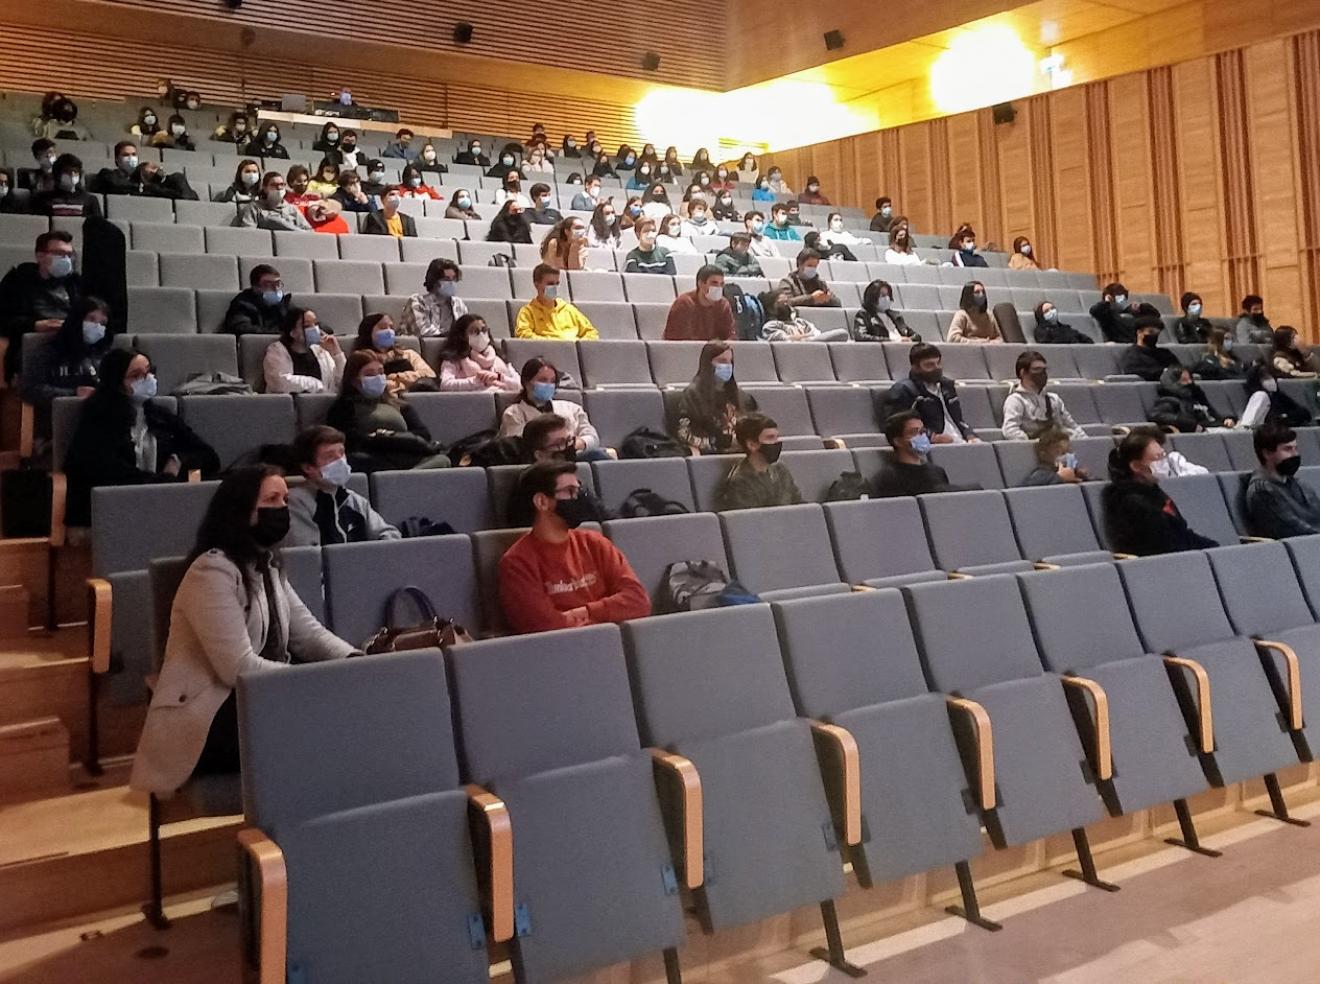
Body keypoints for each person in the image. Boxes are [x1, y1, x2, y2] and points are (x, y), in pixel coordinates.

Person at [128, 465, 356, 796]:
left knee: (347, 709)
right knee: (327, 728)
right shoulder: (211, 571)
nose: (281, 509)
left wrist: (356, 660)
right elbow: (237, 667)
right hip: (214, 716)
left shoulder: (267, 563)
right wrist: (310, 685)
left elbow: (310, 635)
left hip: (266, 698)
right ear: (241, 509)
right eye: (271, 499)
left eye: (285, 500)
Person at [63, 348, 221, 527]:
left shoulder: (160, 415)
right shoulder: (98, 418)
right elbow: (110, 474)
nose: (148, 379)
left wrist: (178, 461)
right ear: (116, 383)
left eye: (149, 371)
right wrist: (162, 482)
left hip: (161, 500)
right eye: (136, 376)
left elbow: (209, 456)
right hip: (113, 505)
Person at [499, 461, 650, 634]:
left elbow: (638, 601)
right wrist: (609, 613)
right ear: (542, 502)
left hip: (611, 645)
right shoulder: (517, 563)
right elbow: (545, 627)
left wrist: (585, 612)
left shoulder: (595, 543)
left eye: (578, 490)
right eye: (570, 492)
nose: (578, 498)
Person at [325, 351, 449, 472]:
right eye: (370, 374)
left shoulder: (398, 403)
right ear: (354, 380)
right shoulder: (344, 406)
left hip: (408, 458)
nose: (378, 378)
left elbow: (423, 434)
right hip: (375, 460)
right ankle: (403, 478)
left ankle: (404, 477)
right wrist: (387, 440)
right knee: (357, 460)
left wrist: (387, 438)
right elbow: (352, 440)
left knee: (442, 460)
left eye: (381, 372)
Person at [1101, 431, 1217, 556]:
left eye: (1163, 455)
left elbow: (1181, 533)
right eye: (1158, 458)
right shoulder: (1129, 503)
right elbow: (1164, 544)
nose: (1164, 462)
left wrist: (1213, 548)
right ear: (1136, 466)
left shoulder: (1153, 491)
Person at [285, 427, 401, 547]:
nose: (340, 461)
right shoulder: (296, 502)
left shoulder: (354, 500)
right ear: (308, 468)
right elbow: (309, 552)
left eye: (341, 452)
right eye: (330, 456)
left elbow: (388, 533)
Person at [0, 230, 80, 381]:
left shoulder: (75, 283)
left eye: (69, 255)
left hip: (71, 345)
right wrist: (35, 325)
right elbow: (3, 321)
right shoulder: (17, 282)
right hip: (32, 347)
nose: (66, 259)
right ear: (40, 256)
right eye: (59, 253)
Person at [21, 296, 115, 413]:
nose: (97, 326)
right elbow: (30, 390)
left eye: (103, 323)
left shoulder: (107, 356)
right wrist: (73, 393)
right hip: (55, 416)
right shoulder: (47, 352)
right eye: (91, 319)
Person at [500, 358, 603, 456]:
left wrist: (578, 443)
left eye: (552, 381)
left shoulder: (572, 408)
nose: (548, 385)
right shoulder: (514, 413)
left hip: (576, 456)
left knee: (598, 455)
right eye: (542, 380)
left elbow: (593, 438)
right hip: (540, 464)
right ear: (526, 383)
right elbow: (519, 447)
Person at [880, 343, 978, 444]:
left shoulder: (947, 386)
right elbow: (896, 427)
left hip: (962, 442)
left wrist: (970, 435)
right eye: (929, 365)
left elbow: (959, 420)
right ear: (915, 368)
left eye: (938, 363)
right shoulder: (903, 390)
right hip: (934, 446)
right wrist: (932, 437)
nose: (937, 368)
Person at [674, 341, 757, 454]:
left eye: (730, 362)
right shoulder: (693, 395)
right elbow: (684, 433)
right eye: (722, 361)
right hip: (712, 454)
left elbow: (758, 426)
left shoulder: (742, 396)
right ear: (707, 364)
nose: (727, 366)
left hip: (742, 453)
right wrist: (720, 443)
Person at [1245, 422, 1320, 539]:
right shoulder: (1262, 492)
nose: (1295, 454)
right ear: (1267, 453)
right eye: (1288, 449)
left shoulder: (1298, 484)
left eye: (1296, 448)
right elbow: (1292, 529)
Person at [717, 414, 803, 510]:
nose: (776, 443)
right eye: (770, 438)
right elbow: (750, 520)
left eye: (777, 437)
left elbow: (798, 503)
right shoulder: (740, 482)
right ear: (751, 445)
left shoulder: (781, 469)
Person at [1000, 351, 1085, 441]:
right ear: (1023, 372)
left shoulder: (1054, 400)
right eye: (1037, 369)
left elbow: (1072, 425)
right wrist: (1035, 443)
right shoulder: (1016, 400)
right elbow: (1010, 430)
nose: (1042, 373)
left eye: (1044, 369)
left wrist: (1086, 441)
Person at [873, 411, 959, 497]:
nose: (921, 436)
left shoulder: (937, 472)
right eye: (914, 432)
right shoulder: (889, 477)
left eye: (922, 431)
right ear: (898, 441)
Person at [263, 307, 344, 394]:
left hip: (322, 404)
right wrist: (314, 384)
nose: (314, 329)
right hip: (288, 405)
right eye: (307, 326)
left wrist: (337, 353)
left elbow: (341, 382)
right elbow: (279, 382)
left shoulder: (321, 351)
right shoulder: (277, 350)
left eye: (316, 324)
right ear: (293, 332)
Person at [357, 313, 435, 396]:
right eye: (383, 327)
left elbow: (429, 374)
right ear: (368, 331)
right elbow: (374, 387)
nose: (389, 331)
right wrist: (406, 382)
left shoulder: (408, 354)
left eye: (391, 327)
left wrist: (395, 377)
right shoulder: (362, 359)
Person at [438, 314, 519, 392]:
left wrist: (499, 377)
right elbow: (445, 385)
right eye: (475, 332)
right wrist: (479, 380)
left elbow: (520, 385)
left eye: (484, 330)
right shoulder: (455, 359)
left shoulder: (498, 355)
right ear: (462, 336)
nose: (481, 335)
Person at [515, 264, 599, 340]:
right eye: (550, 284)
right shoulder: (527, 312)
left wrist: (576, 345)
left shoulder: (569, 309)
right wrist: (555, 344)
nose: (555, 288)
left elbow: (591, 333)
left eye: (557, 283)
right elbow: (524, 335)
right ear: (537, 285)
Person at [399, 259, 469, 338]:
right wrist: (450, 337)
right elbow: (422, 331)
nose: (451, 283)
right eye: (446, 279)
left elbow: (465, 330)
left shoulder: (458, 303)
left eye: (454, 279)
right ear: (434, 281)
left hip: (452, 347)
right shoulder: (417, 302)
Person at [1150, 366, 1232, 432]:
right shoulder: (1170, 400)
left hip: (1215, 428)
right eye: (1184, 380)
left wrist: (1225, 420)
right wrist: (1190, 424)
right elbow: (1156, 415)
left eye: (1190, 379)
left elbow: (1213, 414)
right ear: (1173, 383)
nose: (1189, 382)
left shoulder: (1197, 397)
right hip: (1203, 433)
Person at [664, 266, 735, 341]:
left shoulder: (723, 305)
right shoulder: (684, 303)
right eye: (714, 283)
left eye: (721, 284)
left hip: (713, 351)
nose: (718, 287)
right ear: (701, 284)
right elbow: (676, 339)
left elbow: (730, 335)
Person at [223, 264, 294, 335]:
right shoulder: (242, 303)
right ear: (255, 287)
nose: (276, 289)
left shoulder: (285, 302)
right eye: (268, 285)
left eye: (278, 284)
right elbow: (241, 328)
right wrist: (279, 333)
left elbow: (298, 324)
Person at [1240, 363, 1313, 429]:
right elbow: (1249, 423)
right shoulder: (1258, 397)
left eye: (1271, 377)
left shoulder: (1279, 397)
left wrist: (1285, 417)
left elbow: (1304, 413)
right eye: (1265, 378)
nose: (1271, 380)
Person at [758, 290, 849, 343]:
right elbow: (785, 341)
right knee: (841, 333)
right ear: (770, 308)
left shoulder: (800, 322)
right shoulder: (771, 326)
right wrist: (807, 336)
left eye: (787, 302)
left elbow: (817, 334)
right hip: (796, 353)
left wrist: (801, 337)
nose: (785, 305)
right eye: (781, 303)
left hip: (817, 350)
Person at [32, 154, 101, 218]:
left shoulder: (90, 200)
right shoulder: (41, 198)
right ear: (57, 175)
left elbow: (98, 226)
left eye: (75, 172)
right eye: (67, 172)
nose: (72, 175)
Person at [237, 172, 312, 231]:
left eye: (282, 185)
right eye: (274, 185)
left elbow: (309, 232)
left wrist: (283, 225)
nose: (279, 188)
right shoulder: (254, 207)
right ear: (265, 188)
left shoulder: (292, 208)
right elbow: (248, 232)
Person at [853, 280, 920, 342]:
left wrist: (909, 340)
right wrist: (892, 340)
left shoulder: (895, 316)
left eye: (888, 295)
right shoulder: (864, 315)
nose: (887, 298)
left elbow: (916, 336)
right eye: (883, 295)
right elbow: (860, 336)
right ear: (872, 298)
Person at [1119, 312, 1179, 380]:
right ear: (1139, 332)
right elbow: (1133, 371)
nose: (1154, 336)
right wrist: (1163, 372)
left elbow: (1179, 369)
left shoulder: (1165, 353)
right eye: (1151, 332)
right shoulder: (1132, 355)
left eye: (1157, 333)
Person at [1022, 428, 1090, 486]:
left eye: (1069, 452)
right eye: (1062, 453)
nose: (1068, 456)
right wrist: (1060, 478)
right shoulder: (1040, 475)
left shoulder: (1075, 472)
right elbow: (1027, 490)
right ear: (1044, 455)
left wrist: (1085, 477)